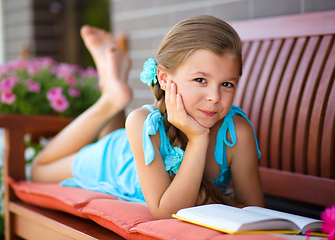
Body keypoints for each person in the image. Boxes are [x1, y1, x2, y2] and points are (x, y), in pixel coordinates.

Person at [31, 15, 264, 220]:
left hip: (135, 147)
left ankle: (113, 87)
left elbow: (256, 212)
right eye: (200, 80)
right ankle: (111, 99)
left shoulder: (236, 132)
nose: (214, 97)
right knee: (39, 170)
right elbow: (165, 212)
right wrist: (198, 139)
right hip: (114, 160)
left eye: (226, 84)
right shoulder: (142, 122)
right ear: (163, 78)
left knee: (113, 133)